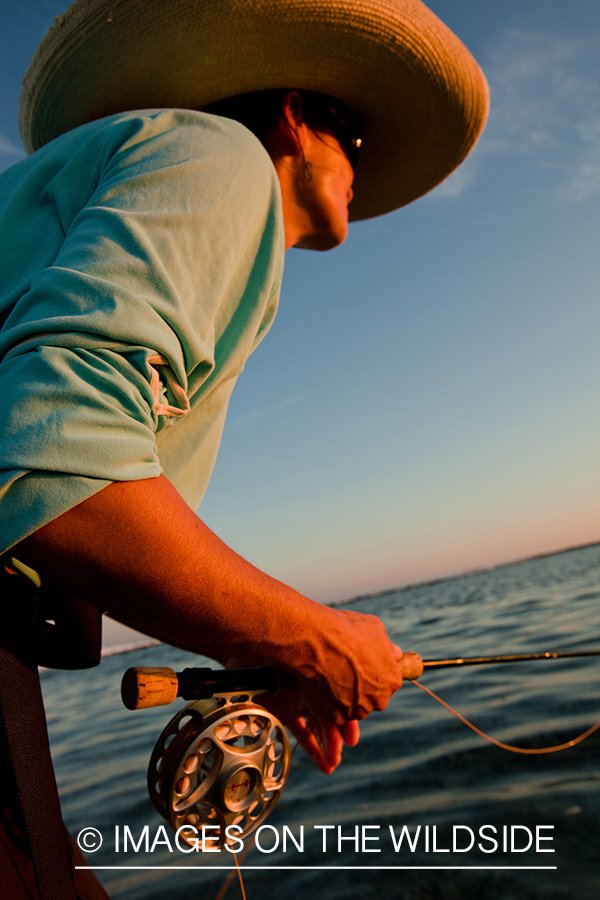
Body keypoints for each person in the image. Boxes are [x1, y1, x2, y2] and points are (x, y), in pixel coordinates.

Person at [0, 1, 488, 896]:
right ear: (296, 116)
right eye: (353, 134)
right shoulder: (219, 157)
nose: (362, 162)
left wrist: (242, 644)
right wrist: (308, 639)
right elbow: (43, 449)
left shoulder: (147, 171)